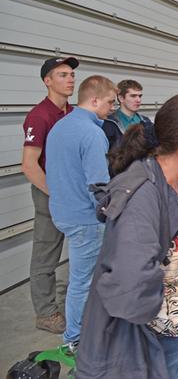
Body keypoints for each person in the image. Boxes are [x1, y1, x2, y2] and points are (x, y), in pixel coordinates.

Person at [75, 93, 178, 379]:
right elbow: (129, 289)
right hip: (156, 339)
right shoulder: (143, 196)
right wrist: (163, 299)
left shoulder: (176, 189)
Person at [45, 75, 116, 349]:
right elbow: (98, 187)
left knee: (80, 278)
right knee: (84, 282)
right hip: (86, 219)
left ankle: (79, 333)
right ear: (94, 99)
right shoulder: (92, 133)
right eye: (110, 102)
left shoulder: (60, 127)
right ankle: (75, 338)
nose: (113, 107)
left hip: (63, 213)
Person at [21, 56, 78, 334]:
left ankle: (75, 301)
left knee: (82, 249)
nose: (70, 79)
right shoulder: (39, 116)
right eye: (62, 74)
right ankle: (45, 313)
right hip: (50, 194)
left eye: (71, 75)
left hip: (74, 192)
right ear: (47, 81)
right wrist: (57, 195)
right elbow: (29, 165)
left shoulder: (73, 112)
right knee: (46, 255)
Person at [102, 79, 153, 149]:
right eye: (133, 96)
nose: (138, 100)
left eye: (140, 96)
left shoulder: (146, 121)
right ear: (121, 98)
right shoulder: (109, 123)